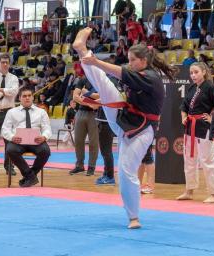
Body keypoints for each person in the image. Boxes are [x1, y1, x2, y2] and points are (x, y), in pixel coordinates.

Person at [72, 27, 177, 229]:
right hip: (124, 117)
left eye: (132, 60)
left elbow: (121, 72)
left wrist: (96, 62)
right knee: (103, 84)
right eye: (128, 59)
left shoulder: (151, 78)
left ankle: (133, 217)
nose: (130, 63)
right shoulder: (140, 72)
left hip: (142, 129)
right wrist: (101, 97)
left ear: (143, 61)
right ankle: (81, 49)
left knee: (127, 170)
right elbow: (122, 83)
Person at [177, 62, 214, 203]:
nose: (193, 75)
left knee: (208, 160)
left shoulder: (211, 88)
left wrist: (212, 117)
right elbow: (184, 105)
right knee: (189, 160)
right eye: (191, 73)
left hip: (204, 127)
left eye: (196, 72)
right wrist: (184, 117)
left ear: (204, 72)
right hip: (190, 126)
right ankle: (189, 191)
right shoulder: (191, 88)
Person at [1, 86, 51, 187]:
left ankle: (29, 176)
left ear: (33, 97)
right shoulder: (11, 112)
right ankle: (30, 176)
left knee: (45, 151)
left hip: (36, 141)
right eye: (24, 96)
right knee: (10, 150)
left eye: (29, 96)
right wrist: (12, 137)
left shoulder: (41, 112)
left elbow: (47, 128)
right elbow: (5, 129)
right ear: (19, 98)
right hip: (18, 141)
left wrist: (44, 137)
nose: (27, 98)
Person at [69, 74, 99, 176]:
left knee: (93, 142)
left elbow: (102, 96)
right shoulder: (83, 79)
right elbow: (75, 97)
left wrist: (86, 94)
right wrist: (90, 103)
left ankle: (91, 166)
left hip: (95, 115)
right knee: (78, 140)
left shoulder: (101, 79)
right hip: (81, 112)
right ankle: (79, 165)